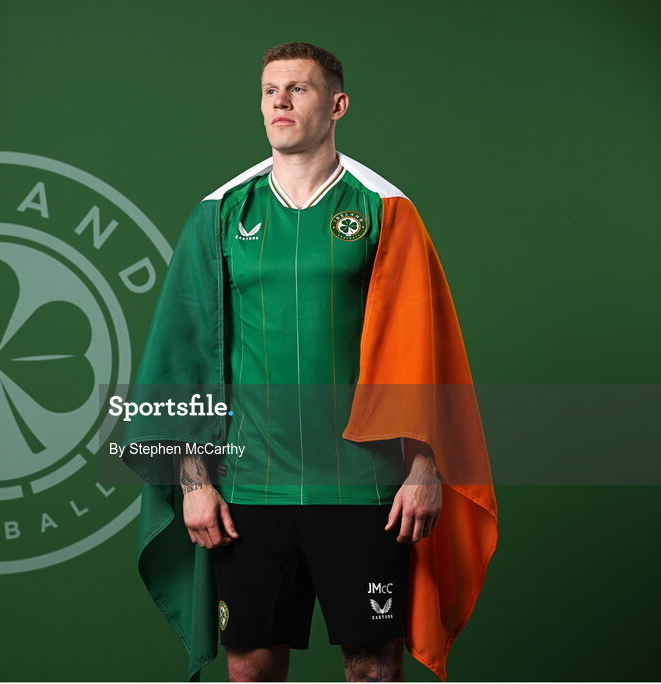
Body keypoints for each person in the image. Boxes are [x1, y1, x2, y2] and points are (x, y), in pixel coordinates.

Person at [120, 42, 497, 682]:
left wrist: (427, 465)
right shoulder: (219, 214)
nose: (281, 102)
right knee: (250, 669)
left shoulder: (386, 209)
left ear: (337, 105)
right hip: (247, 489)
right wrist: (193, 480)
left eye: (299, 89)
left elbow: (426, 348)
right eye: (270, 91)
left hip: (365, 489)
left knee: (373, 667)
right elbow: (180, 353)